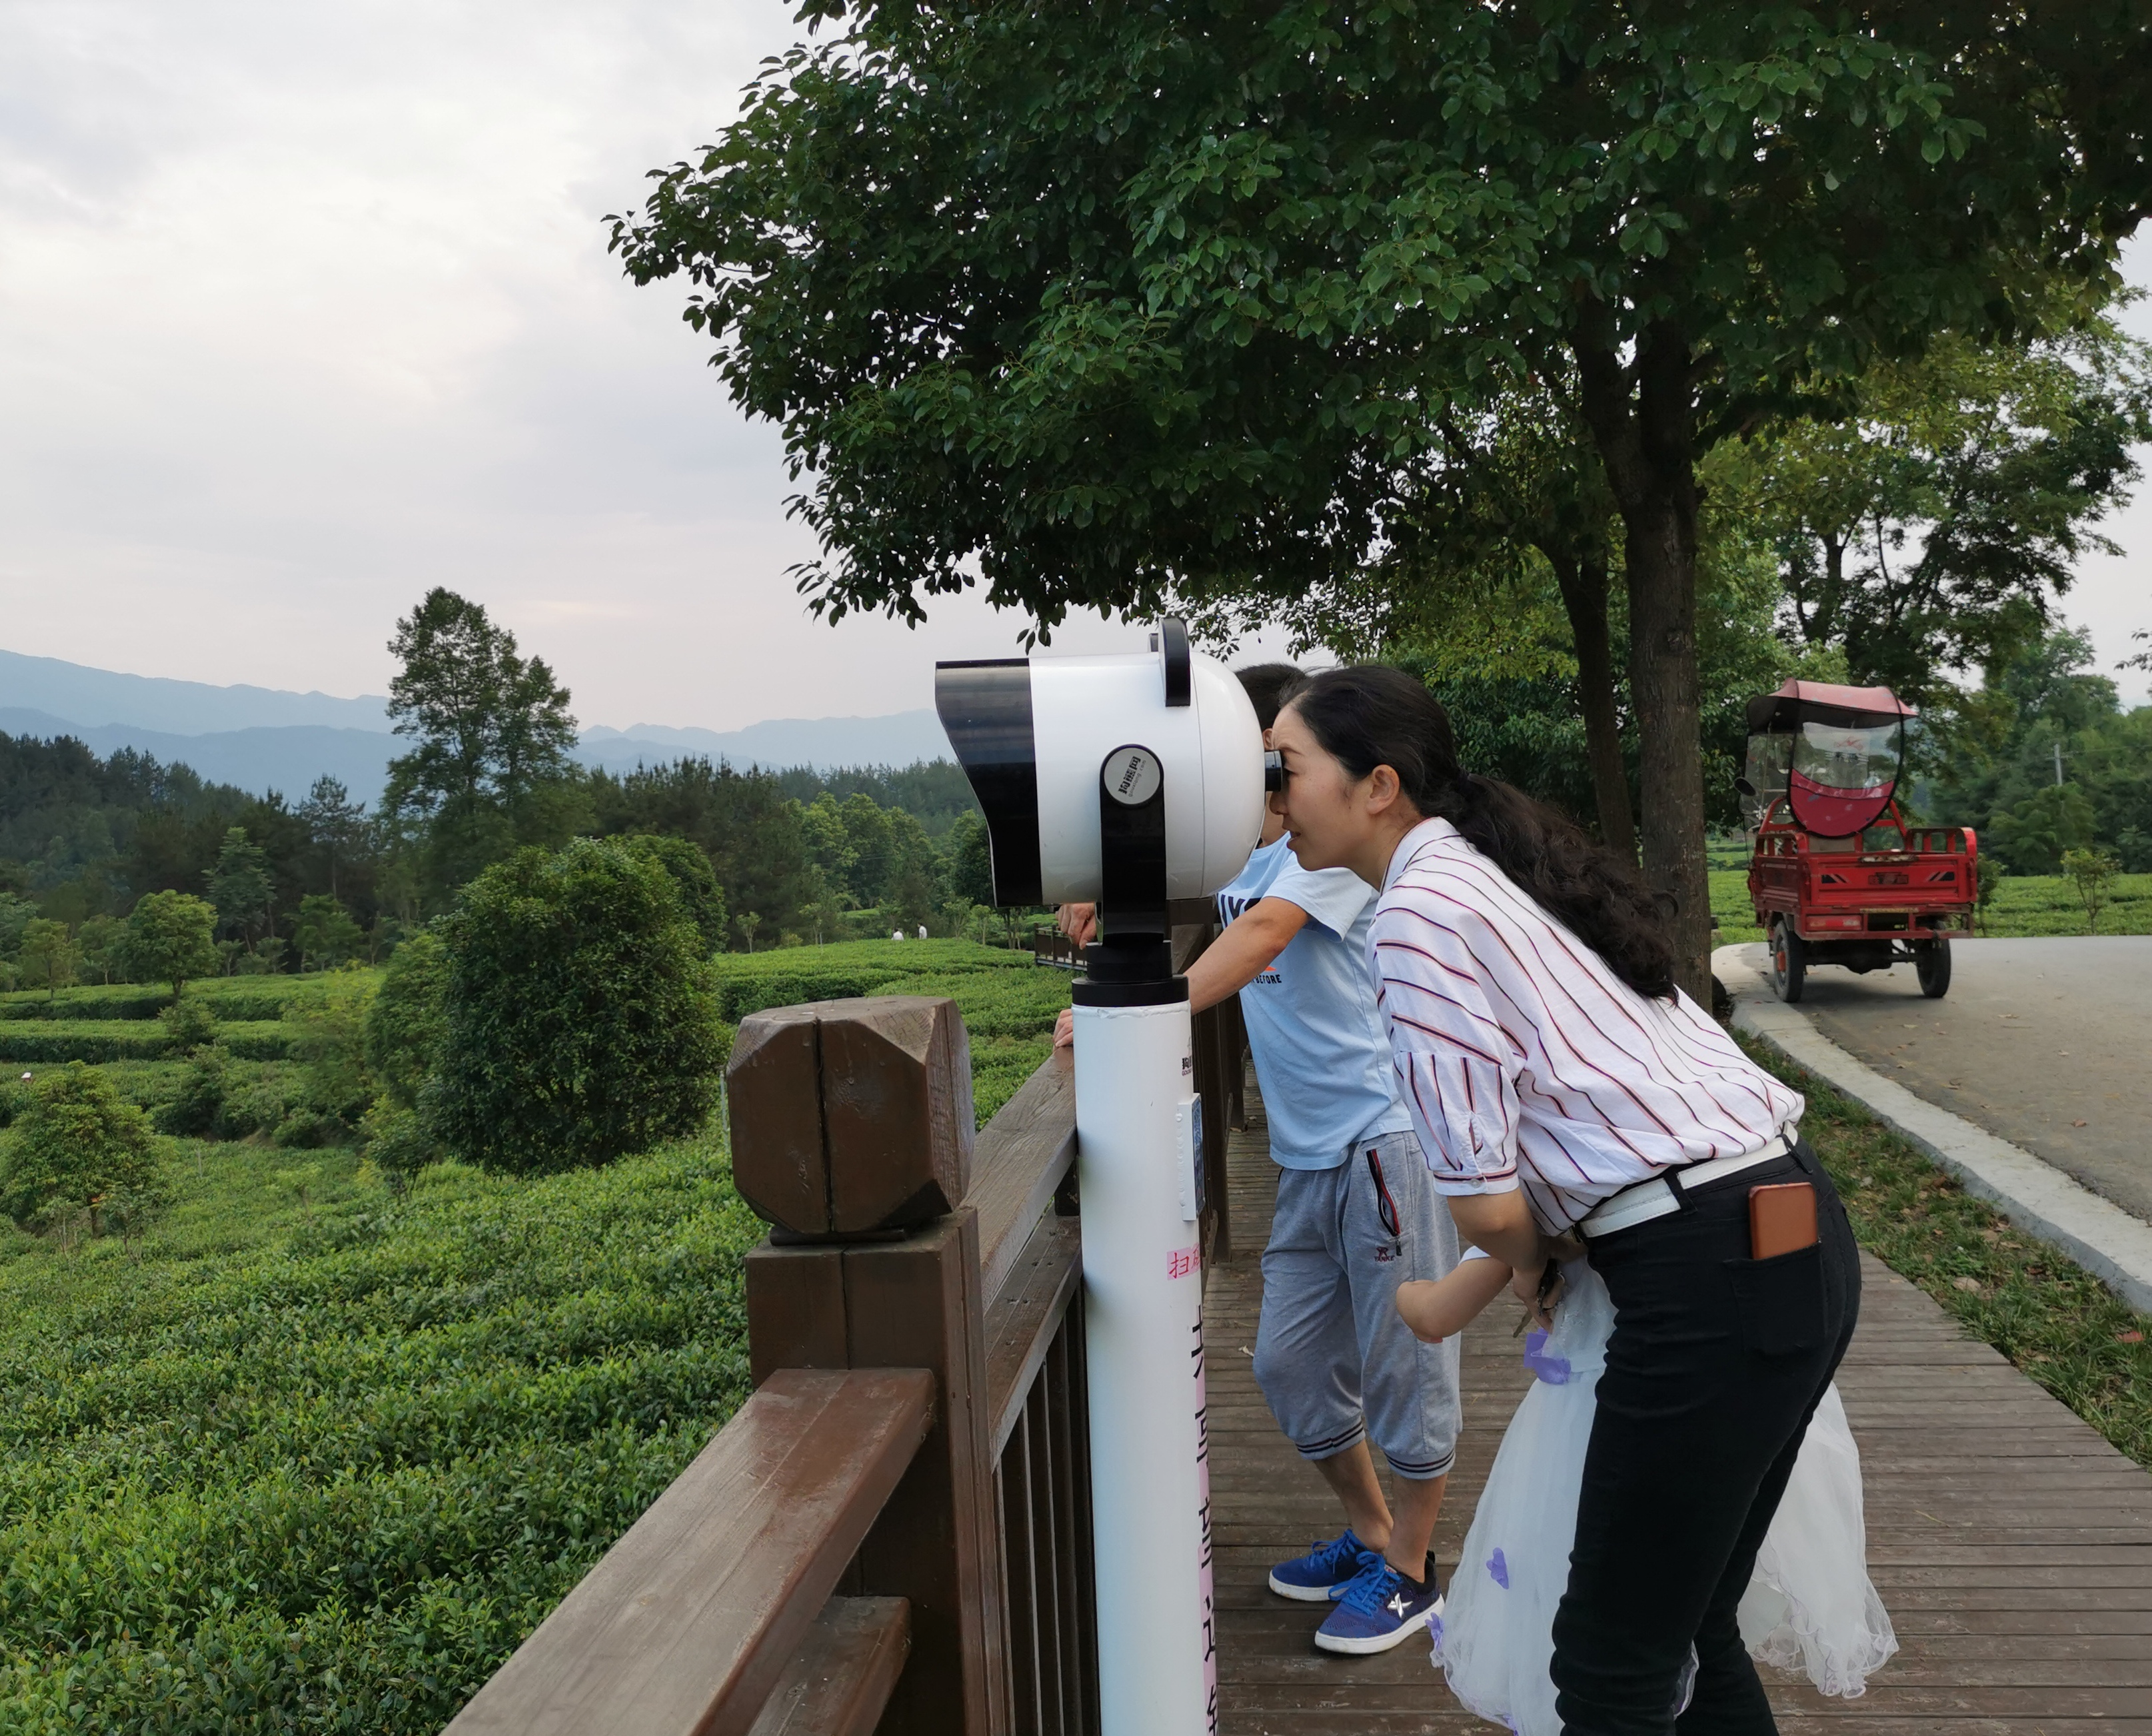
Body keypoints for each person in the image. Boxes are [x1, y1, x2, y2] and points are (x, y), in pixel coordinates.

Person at [1269, 664, 1861, 1733]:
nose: (1268, 800)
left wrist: (1518, 1270)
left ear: (1376, 785)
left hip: (1708, 1268)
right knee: (1681, 1629)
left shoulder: (1415, 911)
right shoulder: (1502, 868)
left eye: (1284, 770)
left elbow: (1491, 1207)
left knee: (1608, 1667)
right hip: (1789, 1226)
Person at [1056, 662, 1462, 1656]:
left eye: (1274, 769)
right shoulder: (1268, 848)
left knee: (1406, 1366)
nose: (1264, 792)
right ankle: (1372, 1530)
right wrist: (1093, 889)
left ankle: (1413, 1567)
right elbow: (1197, 883)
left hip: (1382, 1142)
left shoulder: (1336, 854)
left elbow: (1260, 938)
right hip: (1309, 1154)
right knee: (1287, 1363)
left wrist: (1132, 1019)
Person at [1397, 1251, 1895, 1732]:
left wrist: (1406, 1292)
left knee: (1614, 1653)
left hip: (1627, 1401)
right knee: (1695, 1628)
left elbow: (1445, 1303)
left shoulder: (1555, 1178)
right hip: (1761, 1332)